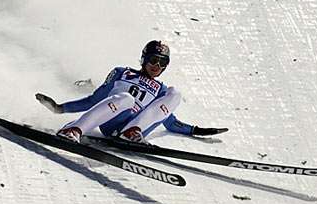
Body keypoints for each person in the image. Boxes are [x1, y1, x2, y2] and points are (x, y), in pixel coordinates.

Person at [35, 40, 227, 143]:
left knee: (175, 93)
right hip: (112, 120)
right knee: (126, 99)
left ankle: (131, 133)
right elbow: (95, 100)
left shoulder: (161, 90)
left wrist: (195, 130)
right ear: (144, 59)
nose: (156, 66)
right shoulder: (122, 73)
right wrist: (59, 109)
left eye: (162, 63)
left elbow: (169, 121)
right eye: (153, 60)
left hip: (134, 127)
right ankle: (73, 130)